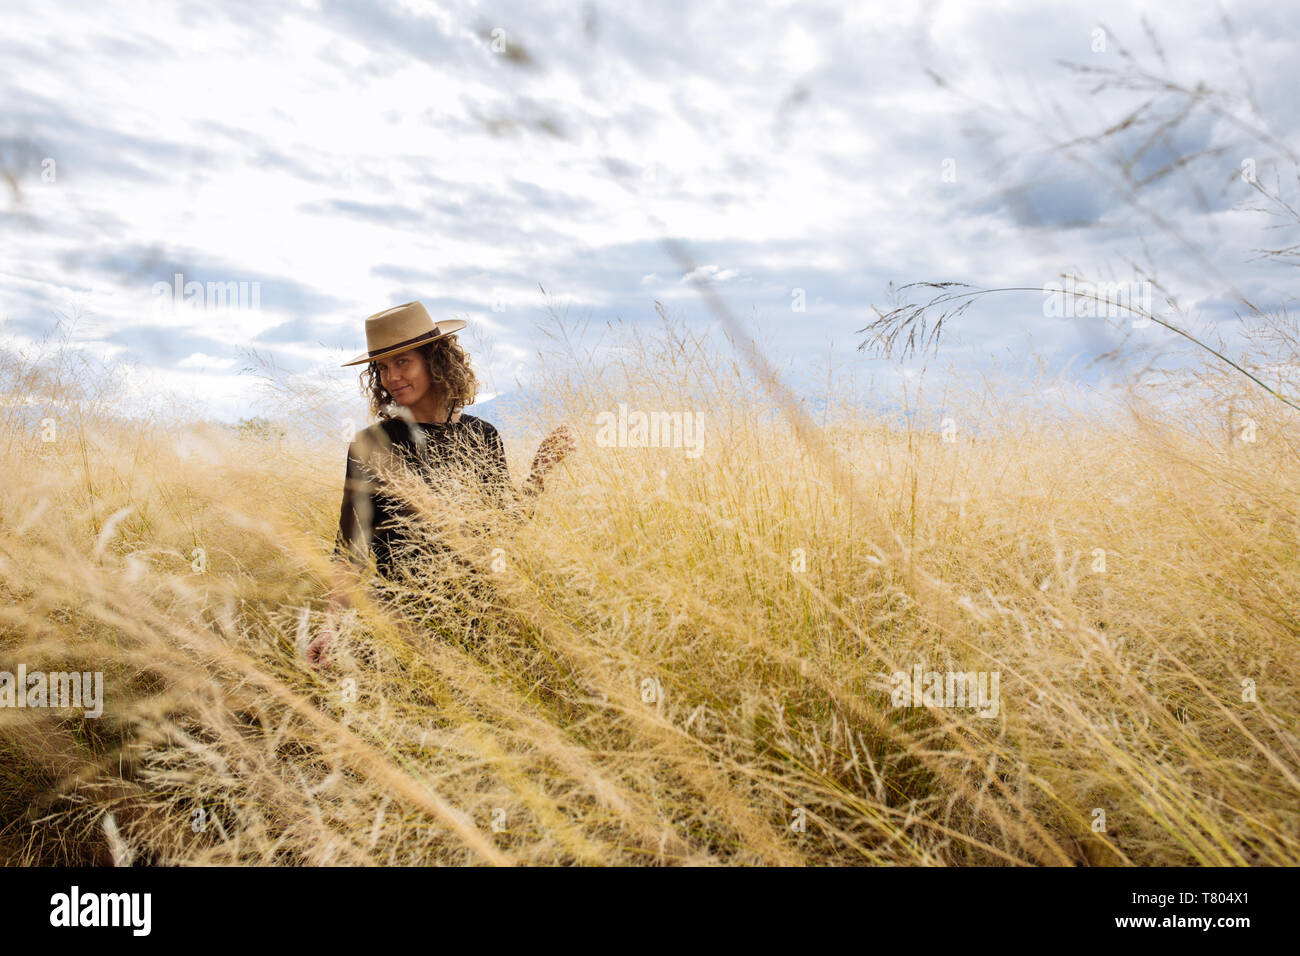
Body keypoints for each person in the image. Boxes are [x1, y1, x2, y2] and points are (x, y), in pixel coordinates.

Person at [306, 301, 574, 666]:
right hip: (403, 631)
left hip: (480, 624)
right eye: (382, 367)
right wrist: (330, 626)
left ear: (435, 360)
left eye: (403, 361)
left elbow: (503, 526)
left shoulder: (481, 434)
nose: (391, 378)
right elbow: (350, 549)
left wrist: (540, 471)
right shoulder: (371, 445)